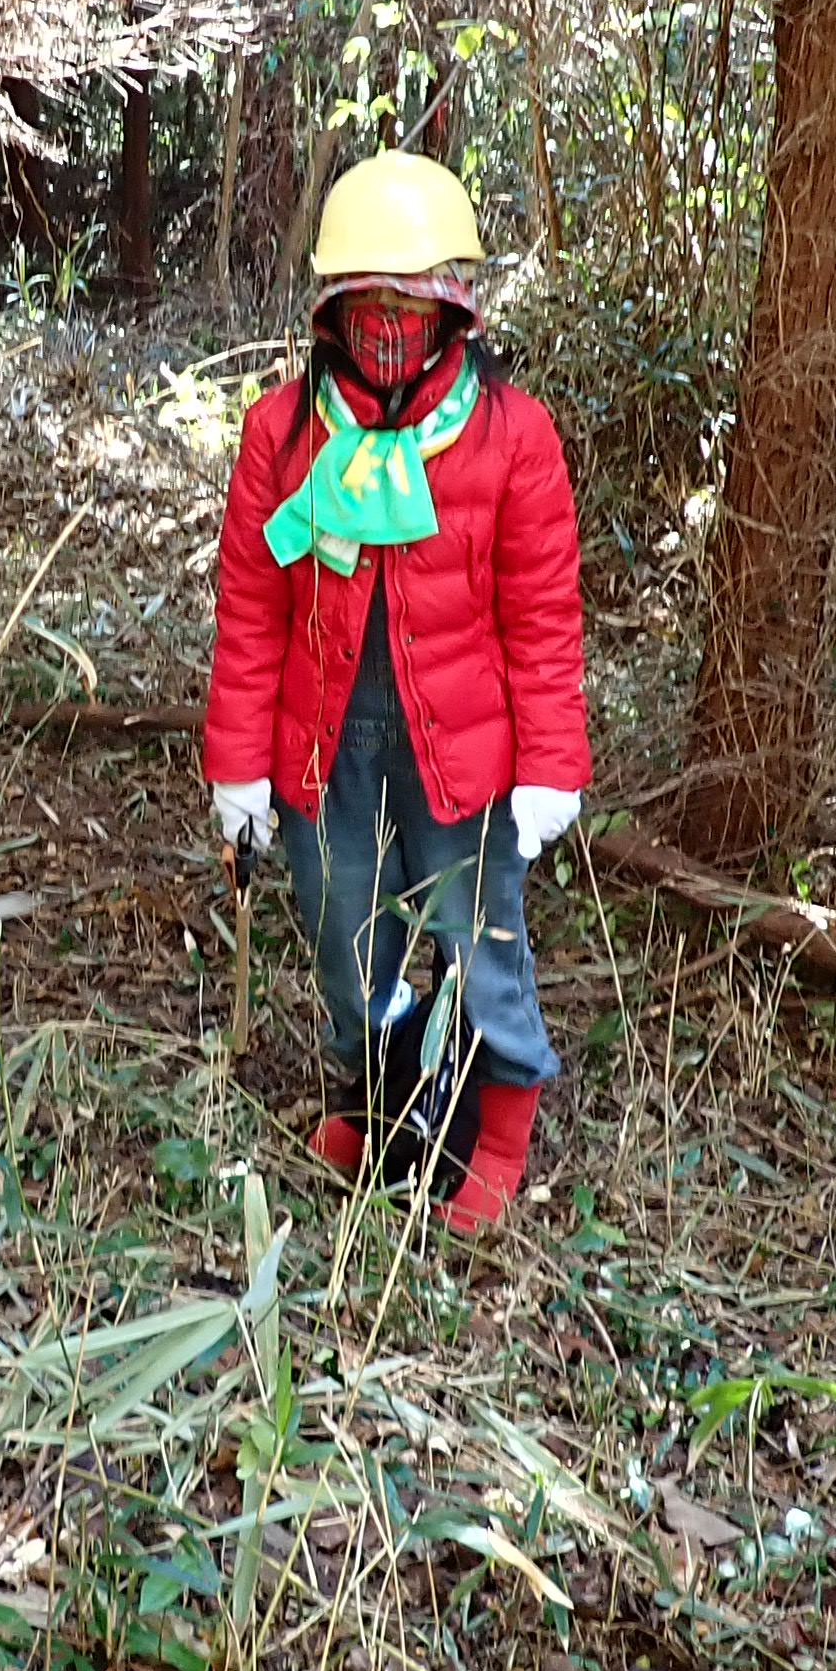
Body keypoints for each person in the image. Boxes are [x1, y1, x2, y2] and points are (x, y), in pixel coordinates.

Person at [199, 151, 589, 1229]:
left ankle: (499, 1129)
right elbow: (251, 608)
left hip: (463, 751)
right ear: (331, 311)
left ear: (450, 311)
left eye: (407, 304)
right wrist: (236, 765)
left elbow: (543, 616)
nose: (386, 326)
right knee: (340, 929)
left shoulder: (511, 435)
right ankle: (364, 1098)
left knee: (477, 935)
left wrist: (551, 766)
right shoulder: (282, 431)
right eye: (364, 304)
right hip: (324, 744)